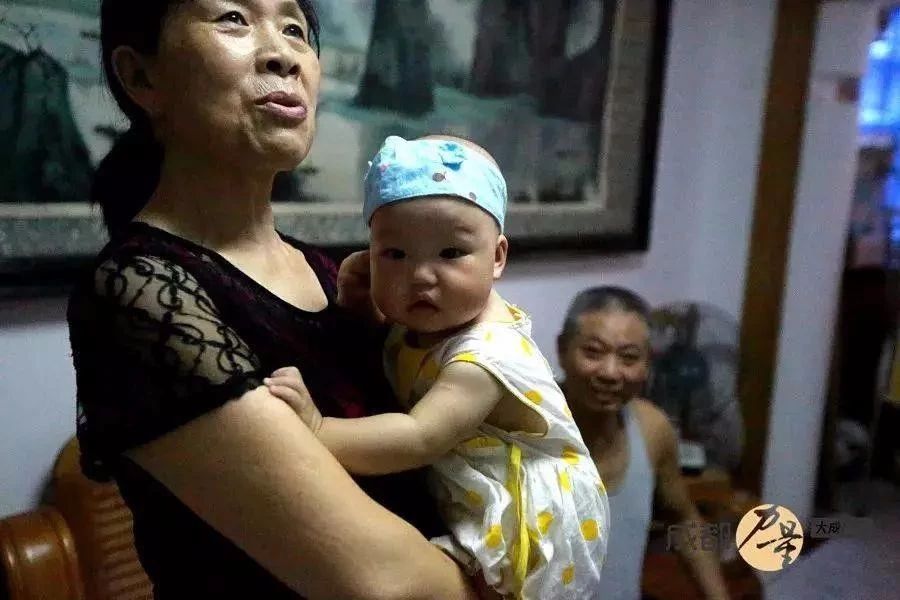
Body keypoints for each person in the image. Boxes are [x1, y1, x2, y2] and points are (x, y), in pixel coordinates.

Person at [66, 2, 477, 598]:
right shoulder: (141, 291)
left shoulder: (332, 272)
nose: (285, 55)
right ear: (141, 76)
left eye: (295, 30)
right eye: (233, 18)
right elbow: (384, 584)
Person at [268, 135, 610, 599]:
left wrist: (316, 427)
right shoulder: (431, 322)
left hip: (525, 518)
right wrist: (361, 309)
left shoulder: (486, 357)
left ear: (497, 257)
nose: (421, 276)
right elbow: (393, 361)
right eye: (395, 254)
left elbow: (418, 437)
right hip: (463, 491)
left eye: (450, 254)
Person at [557, 287, 731, 600]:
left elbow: (684, 518)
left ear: (648, 364)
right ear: (562, 351)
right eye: (593, 352)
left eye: (629, 358)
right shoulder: (521, 429)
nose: (610, 373)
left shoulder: (652, 429)